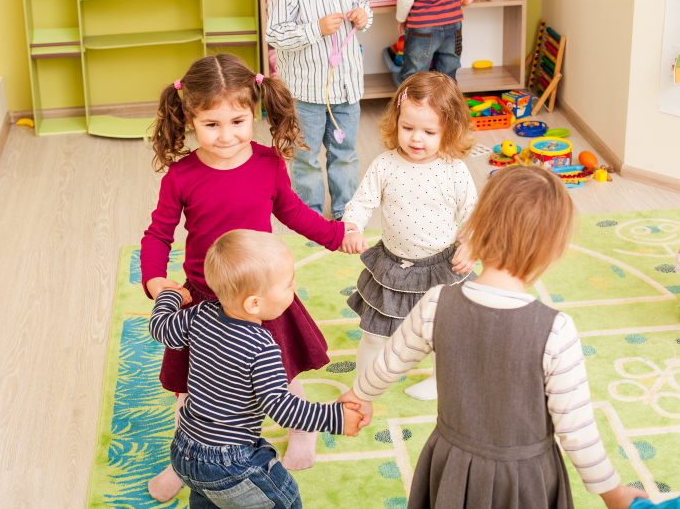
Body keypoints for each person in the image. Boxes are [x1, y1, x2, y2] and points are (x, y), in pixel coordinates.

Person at [340, 166, 649, 509]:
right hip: (525, 480)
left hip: (451, 464)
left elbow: (388, 363)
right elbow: (577, 430)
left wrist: (358, 395)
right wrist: (614, 493)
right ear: (553, 250)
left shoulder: (435, 303)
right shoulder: (556, 330)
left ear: (474, 230)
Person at [141, 53, 362, 501]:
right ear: (190, 119)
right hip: (203, 298)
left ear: (255, 112)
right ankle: (185, 462)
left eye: (238, 121)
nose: (227, 136)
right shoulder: (182, 176)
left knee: (281, 371)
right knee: (190, 384)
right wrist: (154, 280)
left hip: (262, 294)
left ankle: (302, 432)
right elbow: (158, 234)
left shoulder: (267, 164)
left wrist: (337, 236)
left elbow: (295, 214)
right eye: (212, 125)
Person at [150, 230, 366, 509]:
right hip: (230, 463)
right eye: (288, 285)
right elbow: (282, 407)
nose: (295, 285)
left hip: (183, 451)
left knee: (209, 501)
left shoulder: (198, 315)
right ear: (254, 303)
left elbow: (160, 327)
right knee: (285, 502)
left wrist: (170, 297)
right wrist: (335, 418)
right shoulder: (261, 346)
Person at [341, 71, 477, 401]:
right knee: (374, 333)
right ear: (396, 120)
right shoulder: (385, 165)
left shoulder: (453, 169)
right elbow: (362, 202)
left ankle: (440, 380)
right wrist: (352, 226)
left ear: (449, 130)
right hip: (392, 268)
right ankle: (364, 384)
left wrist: (473, 244)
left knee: (444, 333)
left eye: (429, 131)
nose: (417, 138)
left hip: (442, 268)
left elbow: (474, 215)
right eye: (408, 128)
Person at [265, 0, 373, 221]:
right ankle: (309, 219)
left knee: (345, 154)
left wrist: (363, 15)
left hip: (346, 85)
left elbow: (364, 5)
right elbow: (276, 35)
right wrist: (317, 28)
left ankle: (346, 215)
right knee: (306, 157)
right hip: (306, 90)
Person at [396, 0, 485, 85]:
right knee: (447, 77)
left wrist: (402, 19)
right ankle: (446, 107)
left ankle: (413, 106)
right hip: (453, 24)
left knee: (414, 78)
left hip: (422, 27)